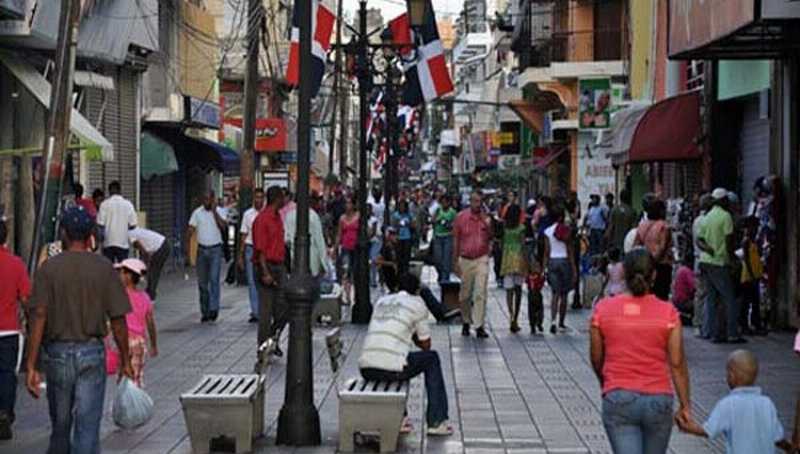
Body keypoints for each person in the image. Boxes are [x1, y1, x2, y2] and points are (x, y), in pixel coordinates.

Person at [24, 207, 134, 454]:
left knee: (61, 426)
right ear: (90, 236)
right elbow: (118, 320)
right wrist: (125, 360)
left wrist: (31, 365)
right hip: (92, 353)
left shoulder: (48, 269)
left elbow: (38, 316)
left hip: (58, 354)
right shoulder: (104, 268)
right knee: (87, 427)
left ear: (63, 233)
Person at [590, 249, 691, 454]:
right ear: (654, 275)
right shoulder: (668, 312)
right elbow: (677, 363)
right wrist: (685, 405)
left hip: (618, 397)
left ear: (624, 273)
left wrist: (606, 382)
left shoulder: (602, 310)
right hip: (658, 399)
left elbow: (596, 357)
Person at [359, 273, 454, 436]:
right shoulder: (417, 304)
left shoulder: (382, 301)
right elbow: (426, 344)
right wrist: (414, 335)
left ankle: (401, 418)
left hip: (366, 366)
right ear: (417, 291)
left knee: (397, 356)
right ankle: (436, 421)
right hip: (391, 368)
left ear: (397, 288)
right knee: (431, 358)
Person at [676, 350, 793, 453]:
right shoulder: (767, 403)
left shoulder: (728, 404)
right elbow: (777, 437)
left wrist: (687, 427)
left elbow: (708, 430)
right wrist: (789, 447)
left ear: (732, 375)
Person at [697, 188, 744, 344]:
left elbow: (699, 240)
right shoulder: (726, 217)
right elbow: (729, 242)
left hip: (705, 261)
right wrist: (733, 260)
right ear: (723, 201)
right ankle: (732, 333)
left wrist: (707, 249)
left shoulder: (706, 217)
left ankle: (711, 332)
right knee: (729, 298)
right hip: (719, 261)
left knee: (711, 298)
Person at [0, 219, 30, 439]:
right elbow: (26, 297)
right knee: (7, 374)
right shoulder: (16, 264)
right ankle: (4, 412)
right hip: (9, 329)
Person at [453, 191, 493, 339]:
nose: (477, 205)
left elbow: (491, 236)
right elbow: (456, 240)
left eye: (479, 202)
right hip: (465, 259)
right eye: (475, 201)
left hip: (481, 258)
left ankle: (479, 325)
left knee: (480, 292)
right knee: (465, 294)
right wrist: (455, 262)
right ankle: (466, 320)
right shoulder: (461, 218)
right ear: (470, 201)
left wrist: (486, 222)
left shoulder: (486, 219)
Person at [252, 186, 287, 355]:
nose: (285, 201)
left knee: (284, 308)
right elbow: (260, 250)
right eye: (283, 197)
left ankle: (272, 338)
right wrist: (265, 272)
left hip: (279, 266)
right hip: (266, 266)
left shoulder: (278, 217)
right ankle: (263, 348)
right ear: (277, 199)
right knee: (266, 312)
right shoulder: (262, 219)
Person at [114, 259, 158, 388]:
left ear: (128, 276)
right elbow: (150, 322)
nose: (119, 276)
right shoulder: (144, 297)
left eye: (121, 272)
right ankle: (128, 402)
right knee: (135, 374)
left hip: (124, 341)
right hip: (139, 342)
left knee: (124, 375)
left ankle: (131, 404)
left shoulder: (120, 296)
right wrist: (154, 344)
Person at [187, 191, 227, 323]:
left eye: (209, 199)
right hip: (202, 250)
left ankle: (214, 309)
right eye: (204, 199)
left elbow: (223, 227)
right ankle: (205, 311)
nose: (206, 202)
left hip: (215, 249)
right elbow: (190, 229)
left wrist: (215, 212)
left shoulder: (220, 211)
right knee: (203, 283)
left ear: (213, 199)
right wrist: (187, 249)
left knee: (214, 280)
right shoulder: (197, 213)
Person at [543, 205, 577, 334]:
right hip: (564, 262)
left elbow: (546, 251)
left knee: (555, 293)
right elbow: (570, 251)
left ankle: (552, 321)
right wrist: (574, 269)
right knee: (564, 294)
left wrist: (544, 268)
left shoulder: (547, 231)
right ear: (561, 217)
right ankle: (561, 322)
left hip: (552, 261)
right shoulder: (566, 230)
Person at [284, 191, 329, 279]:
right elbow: (319, 239)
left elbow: (286, 238)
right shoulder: (313, 216)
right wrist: (324, 262)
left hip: (294, 257)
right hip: (312, 256)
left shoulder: (289, 216)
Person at [634, 198, 672, 301]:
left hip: (645, 265)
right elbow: (662, 247)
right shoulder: (664, 227)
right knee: (661, 296)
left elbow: (636, 245)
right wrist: (654, 260)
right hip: (662, 265)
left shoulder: (641, 225)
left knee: (647, 295)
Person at [238, 188, 264, 323]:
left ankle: (262, 309)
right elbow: (243, 234)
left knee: (262, 280)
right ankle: (255, 311)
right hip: (250, 248)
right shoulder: (247, 214)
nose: (258, 200)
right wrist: (240, 255)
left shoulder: (267, 214)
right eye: (257, 197)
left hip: (264, 250)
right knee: (252, 281)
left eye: (261, 197)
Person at [500, 204, 527, 333]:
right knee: (518, 291)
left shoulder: (505, 228)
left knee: (509, 291)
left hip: (507, 260)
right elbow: (523, 245)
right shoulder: (521, 228)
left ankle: (510, 316)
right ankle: (516, 318)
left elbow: (501, 244)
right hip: (518, 260)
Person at [96, 180, 137, 263]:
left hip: (108, 243)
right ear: (120, 190)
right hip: (123, 243)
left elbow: (100, 225)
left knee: (108, 270)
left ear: (109, 191)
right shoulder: (128, 204)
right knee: (123, 269)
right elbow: (133, 225)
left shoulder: (104, 204)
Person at [738, 216, 766, 336]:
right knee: (748, 302)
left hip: (754, 275)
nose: (756, 229)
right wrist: (752, 275)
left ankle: (755, 324)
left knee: (754, 301)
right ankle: (746, 325)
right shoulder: (746, 241)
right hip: (748, 276)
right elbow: (747, 260)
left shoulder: (754, 241)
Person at [128, 226, 170, 301]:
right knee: (153, 271)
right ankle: (149, 293)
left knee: (153, 272)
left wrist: (145, 260)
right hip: (163, 244)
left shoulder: (130, 234)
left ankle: (150, 296)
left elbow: (142, 249)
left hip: (161, 247)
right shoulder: (137, 230)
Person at [693, 193, 713, 337]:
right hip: (708, 260)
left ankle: (700, 325)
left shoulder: (697, 220)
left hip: (699, 260)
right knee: (707, 294)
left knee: (701, 294)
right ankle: (704, 325)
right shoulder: (706, 221)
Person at [336, 196, 360, 305]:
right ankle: (347, 295)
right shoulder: (342, 218)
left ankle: (356, 295)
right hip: (346, 247)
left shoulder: (358, 216)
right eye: (346, 203)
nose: (347, 205)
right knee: (346, 272)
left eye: (349, 203)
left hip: (356, 247)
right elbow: (339, 234)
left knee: (355, 271)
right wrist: (335, 248)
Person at [432, 194, 457, 283]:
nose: (444, 204)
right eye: (442, 202)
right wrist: (437, 220)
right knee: (438, 259)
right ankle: (440, 273)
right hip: (438, 236)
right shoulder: (438, 210)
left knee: (446, 259)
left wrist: (448, 224)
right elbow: (432, 220)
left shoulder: (452, 212)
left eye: (446, 202)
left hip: (448, 236)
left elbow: (456, 225)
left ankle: (445, 278)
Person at [392, 199, 415, 276]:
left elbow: (413, 225)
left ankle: (406, 273)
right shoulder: (395, 215)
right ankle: (399, 273)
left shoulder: (409, 215)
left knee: (406, 257)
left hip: (407, 237)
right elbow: (394, 226)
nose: (402, 208)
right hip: (398, 237)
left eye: (403, 206)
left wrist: (407, 223)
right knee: (399, 257)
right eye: (400, 206)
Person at [672, 261, 696, 326]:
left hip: (676, 300)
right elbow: (694, 286)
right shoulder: (687, 271)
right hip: (683, 301)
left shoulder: (680, 269)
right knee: (700, 303)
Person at [377, 227, 400, 293]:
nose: (395, 237)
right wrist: (391, 264)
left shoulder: (397, 246)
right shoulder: (385, 248)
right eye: (393, 235)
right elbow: (378, 261)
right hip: (389, 274)